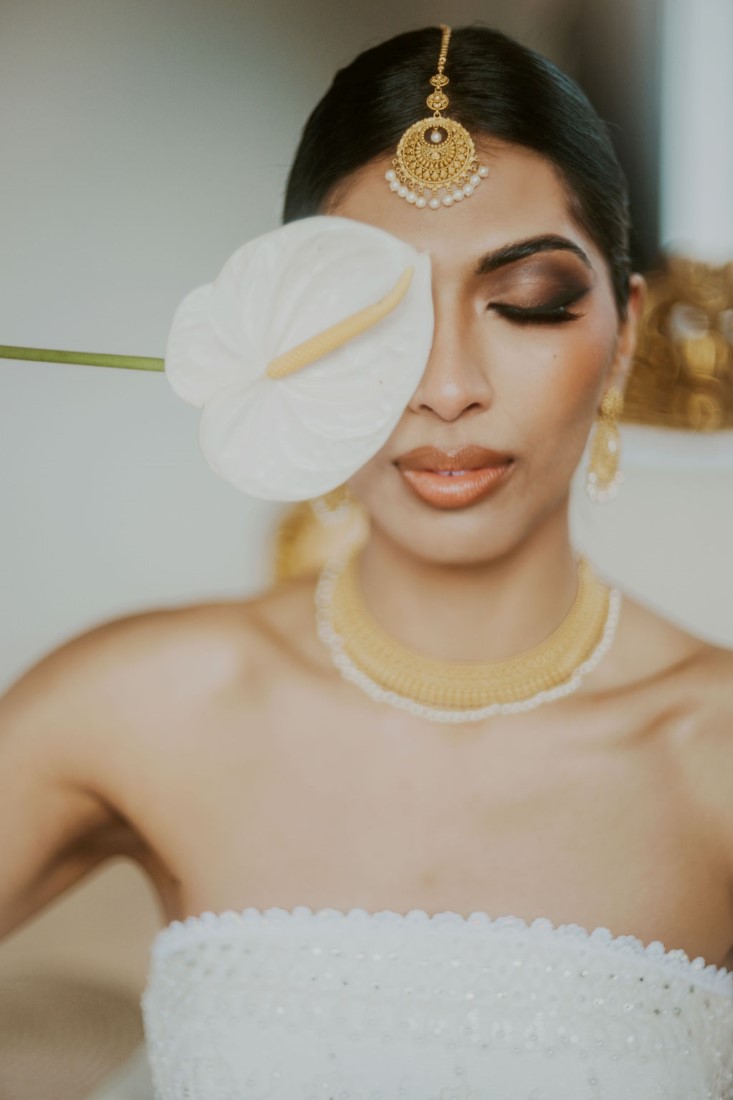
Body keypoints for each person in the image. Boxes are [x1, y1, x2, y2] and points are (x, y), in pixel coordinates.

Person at [2, 21, 732, 1100]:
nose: (444, 386)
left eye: (526, 303)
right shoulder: (139, 703)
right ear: (278, 335)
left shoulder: (714, 750)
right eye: (367, 315)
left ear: (623, 332)